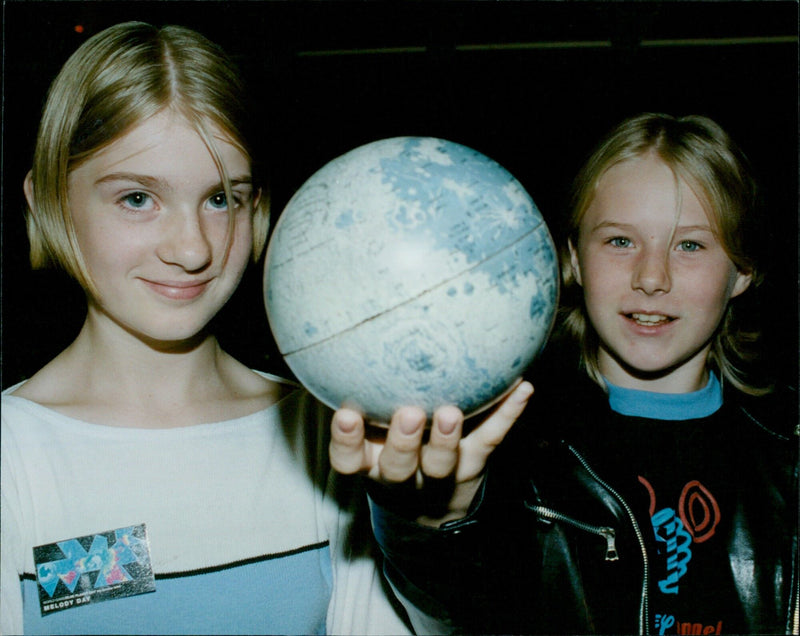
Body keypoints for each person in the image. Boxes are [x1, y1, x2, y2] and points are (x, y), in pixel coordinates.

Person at [0, 21, 423, 635]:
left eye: (222, 199)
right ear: (49, 204)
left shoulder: (327, 435)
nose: (193, 248)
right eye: (138, 198)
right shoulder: (13, 455)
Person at [330, 113, 799, 634]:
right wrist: (432, 518)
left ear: (743, 272)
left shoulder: (788, 457)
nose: (650, 277)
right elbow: (454, 611)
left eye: (690, 245)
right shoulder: (508, 451)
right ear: (573, 258)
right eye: (620, 241)